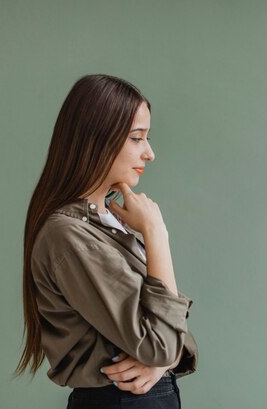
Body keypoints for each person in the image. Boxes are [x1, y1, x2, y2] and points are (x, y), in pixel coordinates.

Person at [16, 74, 197, 409]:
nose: (150, 153)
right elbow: (164, 343)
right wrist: (157, 234)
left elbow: (171, 341)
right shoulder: (70, 236)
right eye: (137, 138)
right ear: (96, 139)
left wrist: (163, 360)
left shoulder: (105, 223)